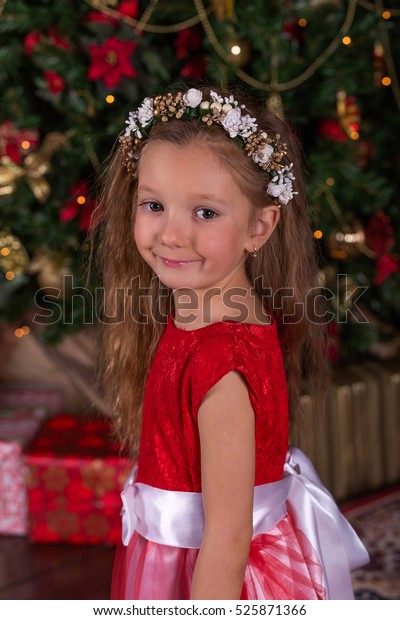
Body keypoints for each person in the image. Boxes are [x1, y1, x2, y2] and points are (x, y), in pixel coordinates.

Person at [96, 86, 369, 600]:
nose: (171, 235)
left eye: (205, 213)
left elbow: (227, 537)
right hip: (181, 551)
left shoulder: (220, 368)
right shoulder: (204, 317)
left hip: (211, 577)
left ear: (260, 226)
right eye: (154, 204)